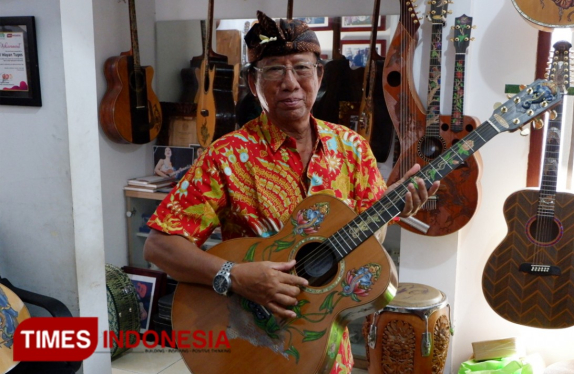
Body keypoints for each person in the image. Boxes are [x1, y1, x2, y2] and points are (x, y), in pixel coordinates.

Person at [144, 11, 439, 374]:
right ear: (253, 84)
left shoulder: (353, 149)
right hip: (252, 341)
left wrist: (397, 206)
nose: (289, 83)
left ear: (319, 75)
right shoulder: (226, 155)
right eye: (273, 71)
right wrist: (234, 275)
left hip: (327, 344)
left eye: (301, 68)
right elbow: (158, 245)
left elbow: (368, 239)